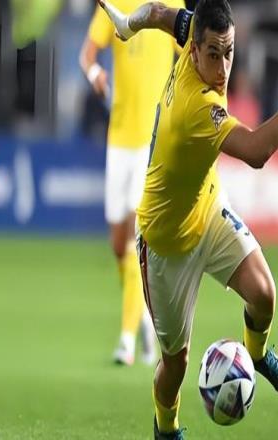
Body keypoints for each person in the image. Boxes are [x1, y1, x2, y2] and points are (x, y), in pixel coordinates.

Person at [99, 0, 278, 438]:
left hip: (208, 211)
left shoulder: (192, 32)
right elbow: (256, 151)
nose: (222, 68)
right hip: (165, 244)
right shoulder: (197, 109)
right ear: (195, 50)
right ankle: (166, 428)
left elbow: (158, 12)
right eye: (214, 55)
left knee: (264, 294)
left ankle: (256, 355)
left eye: (229, 53)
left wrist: (127, 26)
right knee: (175, 363)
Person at [79, 0, 184, 367]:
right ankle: (143, 320)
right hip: (118, 138)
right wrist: (95, 73)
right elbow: (87, 54)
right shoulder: (112, 4)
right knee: (118, 247)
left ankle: (125, 340)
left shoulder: (170, 4)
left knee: (134, 239)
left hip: (152, 139)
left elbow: (191, 49)